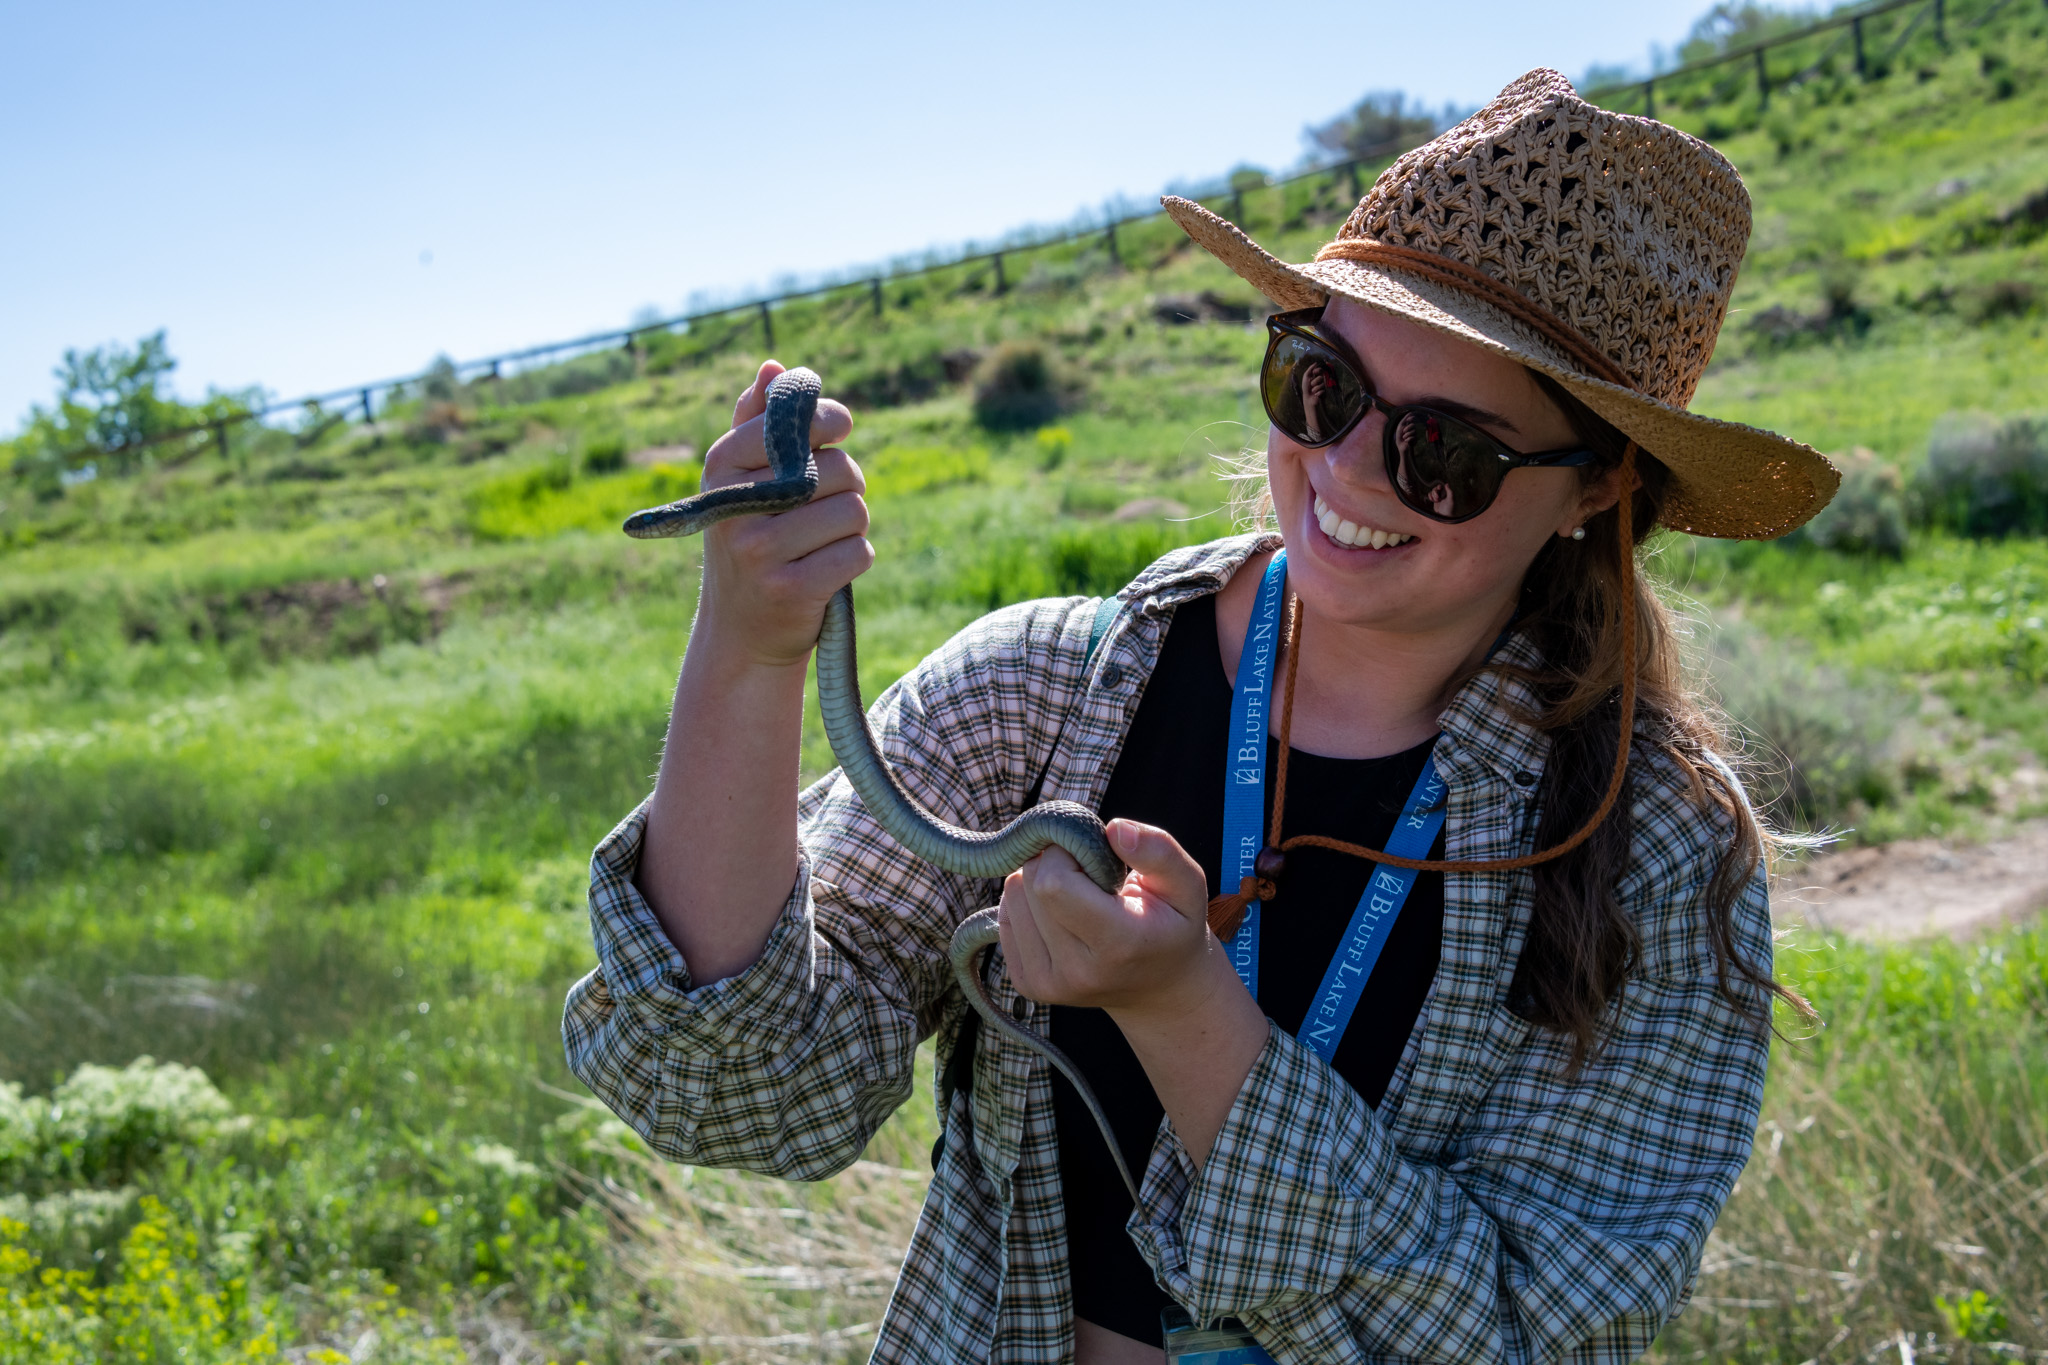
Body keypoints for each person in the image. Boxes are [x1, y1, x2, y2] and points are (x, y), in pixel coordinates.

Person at [563, 69, 1840, 1365]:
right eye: (1320, 384)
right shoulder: (1040, 692)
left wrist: (1191, 1019)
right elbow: (746, 1096)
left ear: (1595, 489)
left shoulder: (1657, 846)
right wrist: (749, 643)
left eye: (1445, 453)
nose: (1343, 470)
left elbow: (1533, 1338)